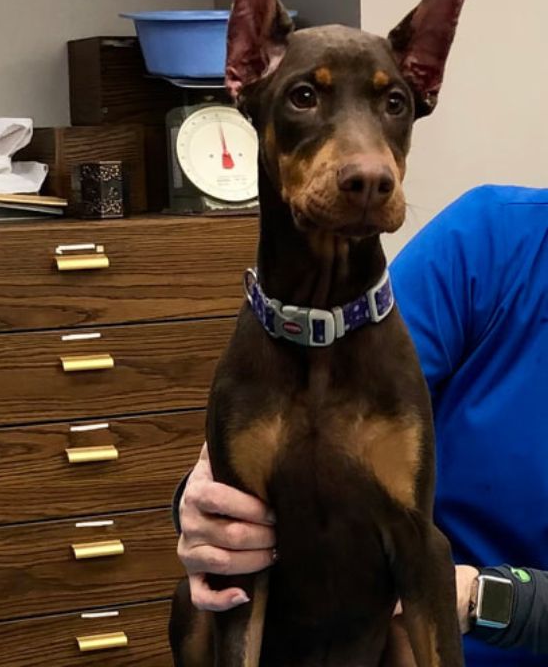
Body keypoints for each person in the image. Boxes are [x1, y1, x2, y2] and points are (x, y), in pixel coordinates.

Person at [174, 184, 548, 666]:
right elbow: (300, 417)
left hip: (427, 624)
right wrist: (209, 512)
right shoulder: (493, 240)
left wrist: (480, 597)